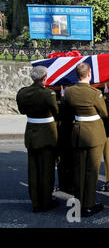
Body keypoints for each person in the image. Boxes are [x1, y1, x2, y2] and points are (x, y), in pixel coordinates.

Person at [64, 63, 108, 217]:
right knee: (92, 170)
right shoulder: (95, 93)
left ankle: (78, 202)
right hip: (94, 134)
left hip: (78, 132)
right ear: (89, 74)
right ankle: (88, 204)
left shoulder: (69, 92)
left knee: (79, 169)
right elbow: (104, 112)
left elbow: (67, 111)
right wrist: (106, 96)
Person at [16, 66, 59, 213]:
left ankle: (35, 202)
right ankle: (45, 202)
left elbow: (22, 111)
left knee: (33, 170)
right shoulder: (48, 94)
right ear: (45, 78)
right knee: (46, 170)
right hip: (47, 133)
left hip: (31, 132)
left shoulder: (22, 93)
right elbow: (56, 112)